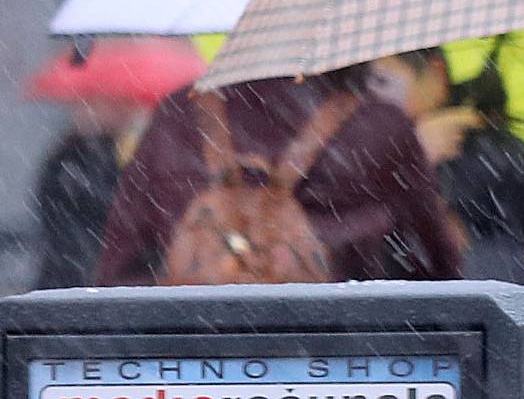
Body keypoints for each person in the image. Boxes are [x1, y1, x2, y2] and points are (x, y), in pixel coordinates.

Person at [97, 69, 460, 285]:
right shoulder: (380, 125)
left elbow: (118, 269)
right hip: (339, 375)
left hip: (194, 375)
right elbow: (438, 268)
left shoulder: (179, 113)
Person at [375, 45, 524, 280]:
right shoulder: (369, 153)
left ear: (436, 73)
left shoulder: (486, 151)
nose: (370, 99)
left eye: (381, 81)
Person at [33, 99, 143, 288]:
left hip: (92, 278)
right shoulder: (74, 158)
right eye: (114, 105)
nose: (125, 113)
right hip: (75, 279)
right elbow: (109, 208)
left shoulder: (108, 153)